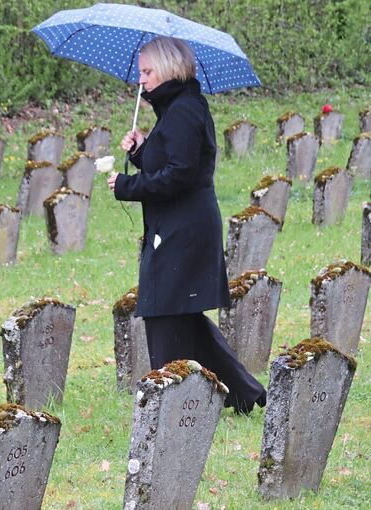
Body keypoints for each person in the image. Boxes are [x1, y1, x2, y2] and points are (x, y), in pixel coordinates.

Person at [108, 36, 266, 414]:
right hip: (180, 225)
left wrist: (127, 185)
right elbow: (171, 163)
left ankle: (171, 400)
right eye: (141, 71)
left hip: (184, 229)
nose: (141, 79)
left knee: (163, 311)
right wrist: (141, 150)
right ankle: (244, 393)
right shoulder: (178, 108)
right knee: (182, 315)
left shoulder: (184, 111)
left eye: (148, 71)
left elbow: (179, 176)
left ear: (168, 70)